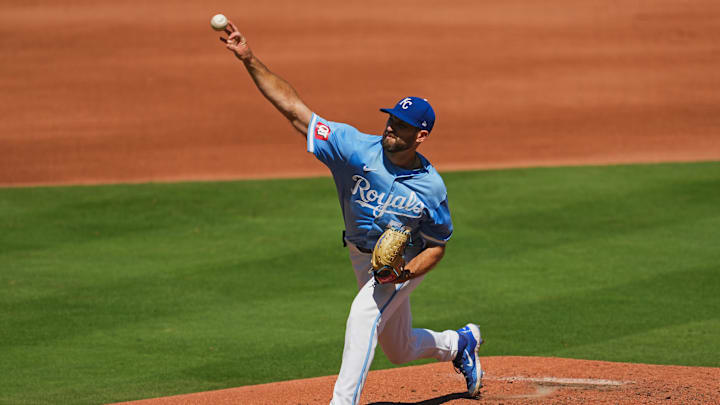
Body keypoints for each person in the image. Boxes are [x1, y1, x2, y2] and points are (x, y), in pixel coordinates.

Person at [218, 20, 484, 405]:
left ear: (421, 136)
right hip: (360, 255)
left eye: (403, 125)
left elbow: (437, 245)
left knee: (364, 316)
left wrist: (403, 272)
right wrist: (249, 59)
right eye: (392, 119)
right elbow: (295, 110)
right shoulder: (355, 149)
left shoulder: (431, 187)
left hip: (400, 264)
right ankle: (460, 343)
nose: (392, 127)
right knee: (400, 349)